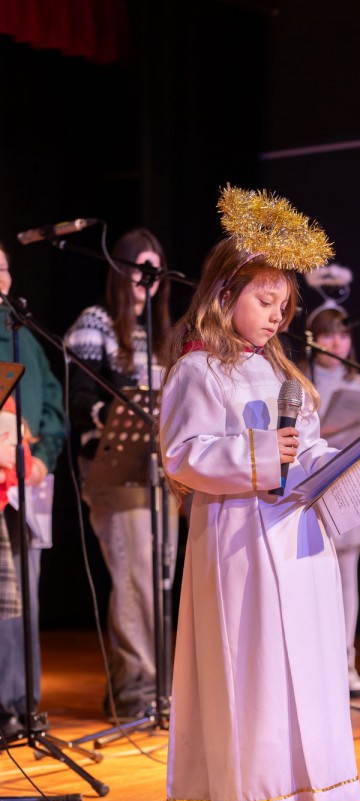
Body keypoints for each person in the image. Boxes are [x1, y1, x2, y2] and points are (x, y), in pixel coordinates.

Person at [159, 186, 360, 801]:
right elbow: (182, 455)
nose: (277, 316)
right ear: (225, 296)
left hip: (296, 540)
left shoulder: (282, 374)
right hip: (239, 543)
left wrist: (342, 463)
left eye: (284, 306)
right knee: (252, 676)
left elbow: (306, 446)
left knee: (301, 672)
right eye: (265, 301)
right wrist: (259, 454)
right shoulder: (199, 370)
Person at [64, 228, 179, 722]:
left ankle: (163, 688)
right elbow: (79, 398)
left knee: (161, 576)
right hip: (114, 470)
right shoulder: (96, 322)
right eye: (138, 267)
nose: (146, 277)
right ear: (119, 270)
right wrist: (112, 413)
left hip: (158, 472)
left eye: (154, 269)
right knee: (134, 577)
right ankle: (133, 689)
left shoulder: (162, 332)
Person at [301, 278, 360, 697]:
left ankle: (346, 662)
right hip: (313, 486)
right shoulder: (300, 381)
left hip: (351, 486)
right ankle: (312, 665)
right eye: (326, 334)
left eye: (341, 334)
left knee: (348, 579)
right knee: (309, 578)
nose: (335, 342)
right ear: (311, 339)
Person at [0, 242, 66, 740]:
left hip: (26, 485)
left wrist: (43, 459)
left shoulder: (25, 335)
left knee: (26, 594)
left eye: (3, 268)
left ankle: (25, 704)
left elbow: (52, 409)